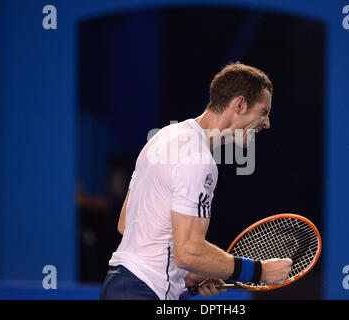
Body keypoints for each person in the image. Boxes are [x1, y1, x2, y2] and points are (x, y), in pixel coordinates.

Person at [99, 62, 293, 300]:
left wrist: (188, 274)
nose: (267, 123)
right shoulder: (198, 159)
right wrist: (259, 271)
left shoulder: (164, 136)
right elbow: (189, 252)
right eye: (263, 112)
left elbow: (127, 223)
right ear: (240, 104)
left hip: (121, 284)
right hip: (143, 291)